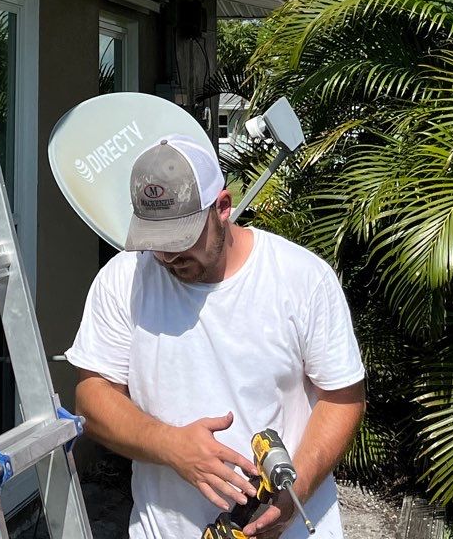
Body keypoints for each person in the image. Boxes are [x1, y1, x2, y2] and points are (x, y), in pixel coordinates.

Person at [64, 134, 365, 538]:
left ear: (223, 207)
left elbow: (342, 399)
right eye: (156, 241)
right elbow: (92, 398)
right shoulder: (123, 280)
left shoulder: (300, 278)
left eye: (182, 237)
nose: (169, 256)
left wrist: (297, 493)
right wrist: (170, 445)